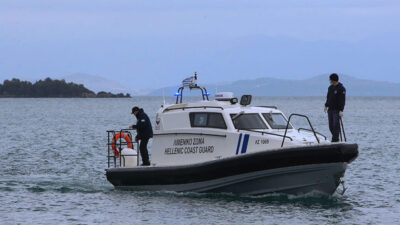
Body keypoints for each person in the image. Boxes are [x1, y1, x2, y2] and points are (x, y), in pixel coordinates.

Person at [324, 73, 346, 142]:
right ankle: (335, 137)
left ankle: (335, 139)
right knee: (331, 126)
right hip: (330, 109)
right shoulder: (330, 88)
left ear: (333, 80)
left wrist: (341, 110)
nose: (329, 81)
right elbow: (328, 97)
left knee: (336, 124)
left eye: (330, 79)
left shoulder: (341, 88)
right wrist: (326, 105)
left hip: (337, 110)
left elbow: (342, 100)